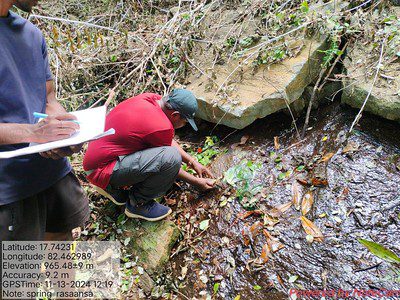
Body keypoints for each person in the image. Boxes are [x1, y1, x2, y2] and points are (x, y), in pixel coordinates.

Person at [0, 0, 89, 241]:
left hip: (51, 172)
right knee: (21, 276)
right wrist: (34, 133)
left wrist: (64, 130)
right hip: (9, 188)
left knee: (61, 249)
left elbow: (48, 97)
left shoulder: (31, 33)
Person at [83, 89, 216, 221]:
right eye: (185, 121)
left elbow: (167, 140)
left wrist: (192, 162)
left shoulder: (151, 98)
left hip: (95, 160)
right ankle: (138, 204)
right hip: (101, 170)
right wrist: (196, 182)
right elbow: (169, 161)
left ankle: (111, 188)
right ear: (175, 115)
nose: (184, 124)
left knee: (166, 155)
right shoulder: (161, 126)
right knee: (172, 157)